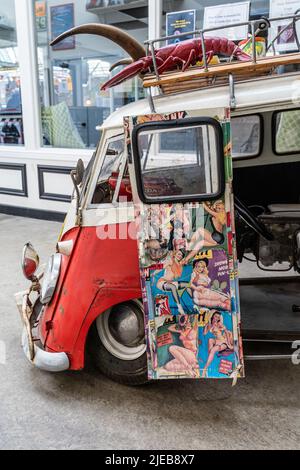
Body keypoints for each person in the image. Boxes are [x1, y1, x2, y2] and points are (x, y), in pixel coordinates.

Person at [156, 248, 189, 315]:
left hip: (170, 283)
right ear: (175, 253)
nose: (180, 256)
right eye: (179, 254)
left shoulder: (180, 266)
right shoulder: (170, 261)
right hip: (162, 282)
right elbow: (161, 268)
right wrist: (153, 273)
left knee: (188, 284)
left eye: (181, 255)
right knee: (173, 287)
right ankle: (180, 308)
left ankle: (193, 304)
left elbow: (176, 276)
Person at [201, 311, 233, 377]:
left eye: (218, 317)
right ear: (212, 316)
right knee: (210, 340)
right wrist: (206, 325)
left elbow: (226, 332)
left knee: (212, 350)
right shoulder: (209, 324)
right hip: (217, 341)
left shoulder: (219, 323)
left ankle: (205, 369)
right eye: (216, 316)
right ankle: (210, 360)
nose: (217, 318)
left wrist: (229, 343)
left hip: (223, 342)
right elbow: (204, 333)